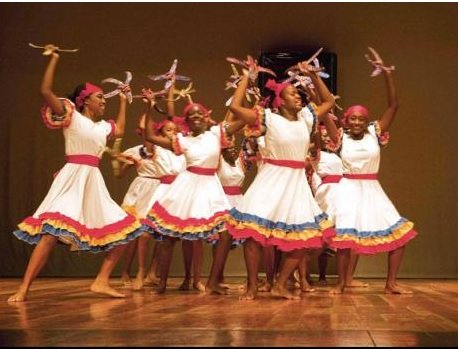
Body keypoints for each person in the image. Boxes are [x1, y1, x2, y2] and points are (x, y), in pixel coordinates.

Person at [8, 46, 142, 302]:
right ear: (85, 100)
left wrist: (124, 101)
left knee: (127, 230)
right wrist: (55, 59)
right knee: (50, 234)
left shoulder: (103, 127)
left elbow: (121, 129)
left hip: (93, 181)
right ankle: (24, 288)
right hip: (72, 180)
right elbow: (45, 91)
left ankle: (101, 281)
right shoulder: (70, 115)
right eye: (100, 97)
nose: (104, 101)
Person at [227, 59, 336, 300]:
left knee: (302, 240)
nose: (298, 97)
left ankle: (280, 284)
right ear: (280, 99)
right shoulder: (267, 118)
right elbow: (235, 108)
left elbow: (328, 102)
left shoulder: (307, 118)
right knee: (254, 236)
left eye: (298, 94)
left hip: (296, 183)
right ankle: (253, 285)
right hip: (271, 180)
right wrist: (247, 76)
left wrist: (313, 76)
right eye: (292, 93)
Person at [142, 86, 251, 294]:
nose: (196, 116)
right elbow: (150, 136)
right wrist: (148, 107)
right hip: (187, 187)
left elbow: (245, 120)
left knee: (226, 233)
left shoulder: (216, 133)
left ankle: (212, 282)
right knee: (170, 237)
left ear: (206, 116)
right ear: (187, 121)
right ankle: (162, 283)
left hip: (210, 188)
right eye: (192, 115)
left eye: (200, 113)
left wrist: (242, 85)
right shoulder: (181, 140)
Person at [328, 48, 417, 294]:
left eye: (360, 119)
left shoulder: (375, 133)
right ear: (346, 121)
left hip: (371, 187)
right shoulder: (340, 137)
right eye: (352, 119)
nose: (356, 122)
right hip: (348, 188)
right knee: (345, 240)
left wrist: (387, 74)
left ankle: (391, 283)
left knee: (399, 235)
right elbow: (324, 111)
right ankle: (340, 283)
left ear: (366, 121)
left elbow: (394, 105)